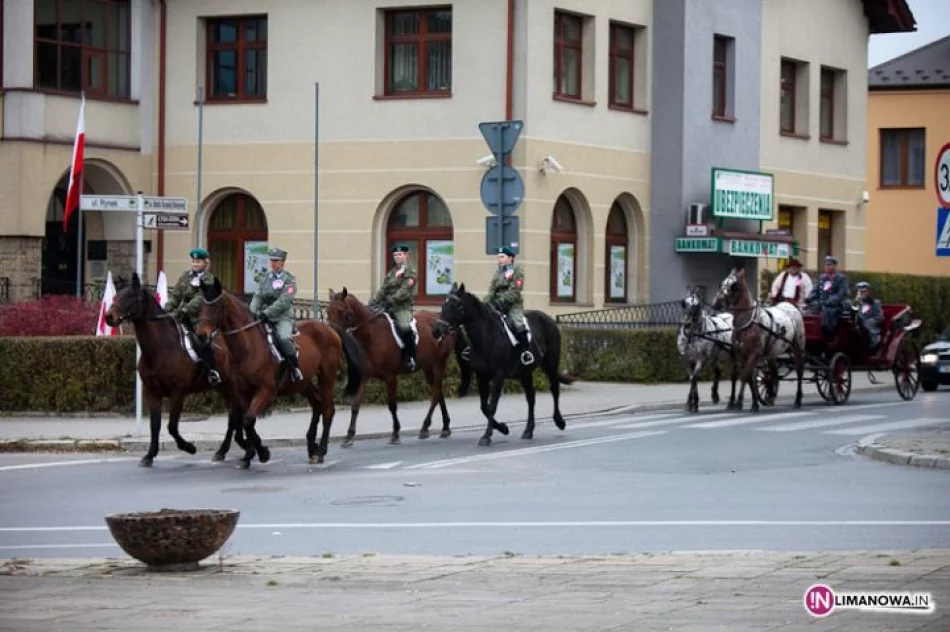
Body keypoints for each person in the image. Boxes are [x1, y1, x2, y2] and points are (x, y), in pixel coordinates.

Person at [165, 247, 221, 385]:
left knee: (202, 340)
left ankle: (212, 371)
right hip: (178, 315)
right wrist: (167, 309)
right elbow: (176, 294)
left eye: (198, 261)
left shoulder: (209, 279)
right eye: (194, 261)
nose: (195, 264)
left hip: (198, 318)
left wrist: (183, 311)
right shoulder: (185, 276)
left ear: (205, 263)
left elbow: (200, 299)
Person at [249, 247, 302, 381]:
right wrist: (251, 312)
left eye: (276, 261)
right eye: (271, 260)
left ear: (282, 262)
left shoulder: (289, 280)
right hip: (263, 317)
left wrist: (267, 312)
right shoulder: (265, 278)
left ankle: (294, 367)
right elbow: (258, 296)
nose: (273, 263)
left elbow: (285, 300)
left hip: (282, 317)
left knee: (284, 338)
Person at [371, 243, 417, 371]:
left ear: (406, 255)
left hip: (402, 307)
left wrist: (392, 299)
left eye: (400, 254)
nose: (397, 257)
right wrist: (375, 300)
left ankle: (410, 357)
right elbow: (384, 289)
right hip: (387, 306)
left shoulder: (410, 271)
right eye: (395, 255)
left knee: (405, 328)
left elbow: (405, 290)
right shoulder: (392, 272)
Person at [484, 246, 533, 365]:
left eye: (502, 257)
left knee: (517, 324)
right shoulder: (498, 272)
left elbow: (515, 290)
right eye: (498, 257)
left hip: (512, 305)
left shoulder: (518, 270)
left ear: (510, 258)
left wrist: (501, 301)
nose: (499, 260)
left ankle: (525, 352)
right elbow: (491, 290)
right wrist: (485, 303)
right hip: (496, 304)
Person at [805, 255, 850, 339]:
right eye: (826, 265)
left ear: (834, 266)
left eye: (829, 265)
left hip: (835, 306)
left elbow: (841, 294)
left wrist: (830, 301)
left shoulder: (841, 278)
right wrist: (808, 299)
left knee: (828, 312)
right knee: (806, 311)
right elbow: (816, 291)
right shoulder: (822, 277)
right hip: (821, 305)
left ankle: (828, 335)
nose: (827, 267)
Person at [854, 281, 883, 350]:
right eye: (860, 292)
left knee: (868, 324)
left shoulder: (874, 303)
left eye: (864, 291)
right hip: (858, 325)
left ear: (868, 292)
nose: (862, 293)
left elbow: (879, 317)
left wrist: (869, 322)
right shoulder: (856, 303)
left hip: (870, 328)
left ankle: (872, 343)